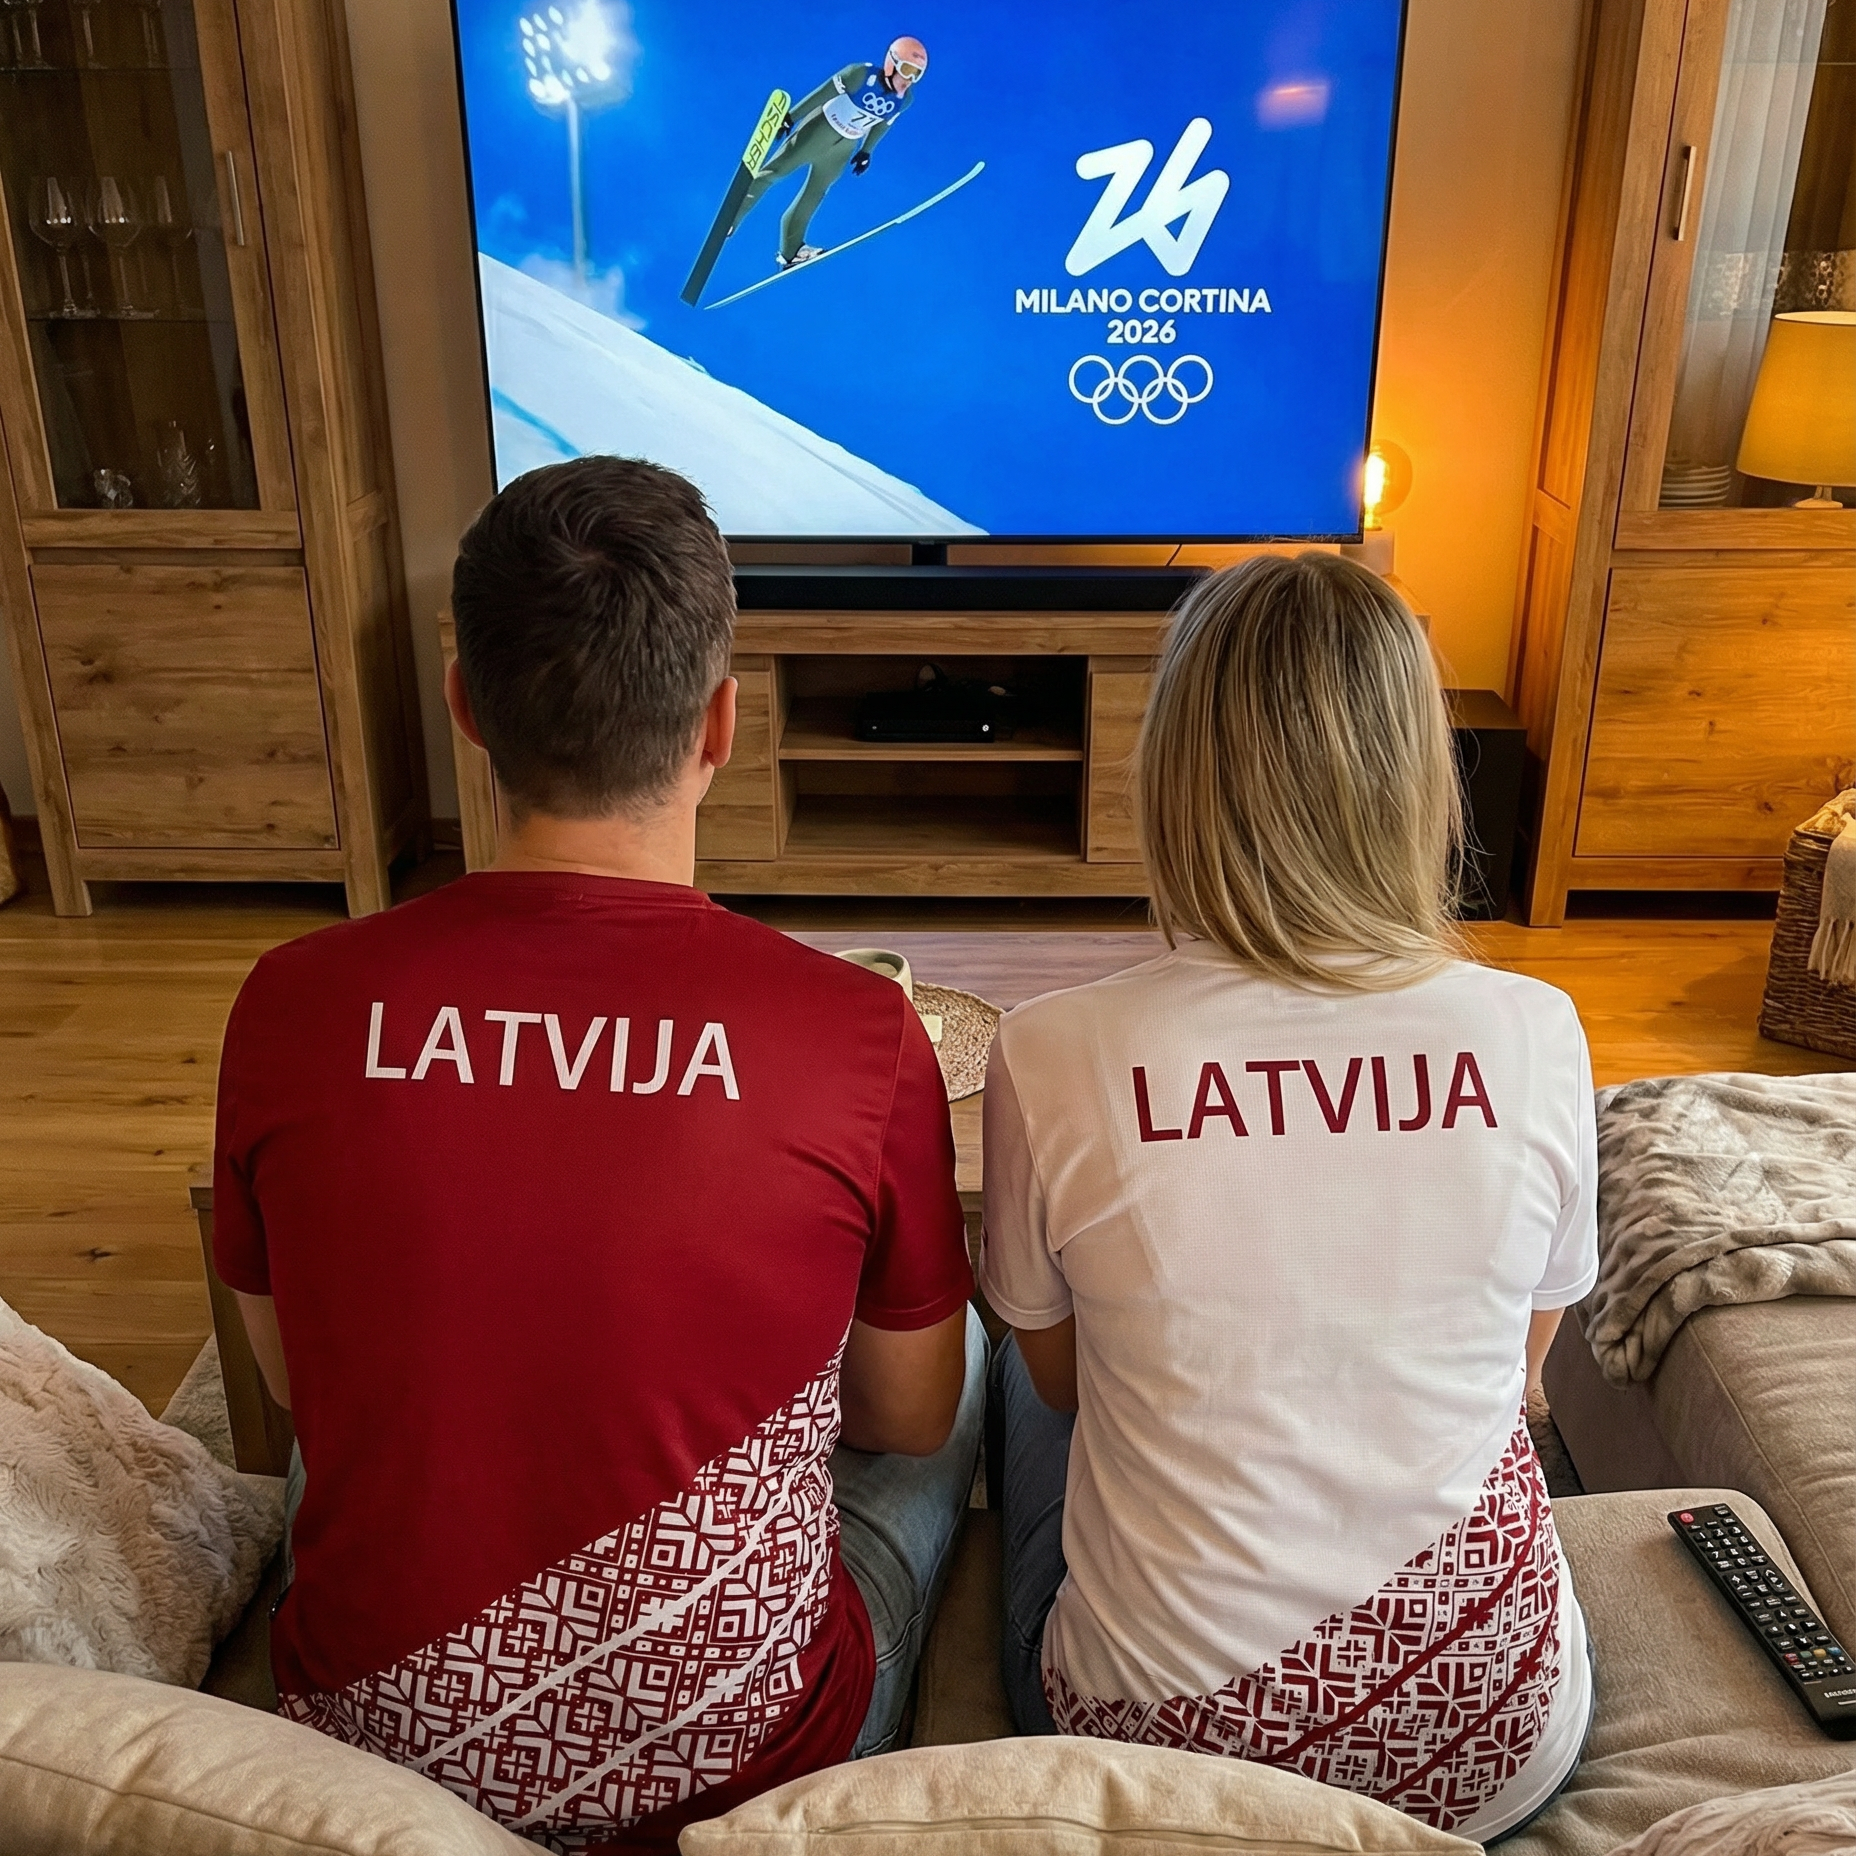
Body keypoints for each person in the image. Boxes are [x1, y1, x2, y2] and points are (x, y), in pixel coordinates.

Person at [213, 456, 983, 1853]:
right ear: (725, 723)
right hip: (753, 1770)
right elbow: (905, 1421)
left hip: (363, 1758)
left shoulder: (288, 1000)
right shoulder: (865, 1034)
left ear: (464, 708)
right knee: (969, 1374)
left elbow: (288, 1383)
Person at [979, 553, 1599, 1844]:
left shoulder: (1047, 1052)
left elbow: (1063, 1386)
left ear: (1177, 777)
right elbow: (1524, 1377)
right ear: (1416, 777)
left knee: (1014, 1405)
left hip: (1163, 1757)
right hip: (1494, 1744)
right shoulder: (1541, 1032)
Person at [727, 36, 928, 269]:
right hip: (820, 129)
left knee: (816, 192)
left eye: (917, 74)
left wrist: (866, 151)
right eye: (907, 70)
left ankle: (792, 250)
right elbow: (823, 93)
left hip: (844, 147)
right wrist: (792, 116)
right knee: (776, 171)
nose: (909, 79)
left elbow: (882, 124)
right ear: (891, 63)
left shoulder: (904, 100)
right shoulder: (860, 75)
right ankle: (732, 217)